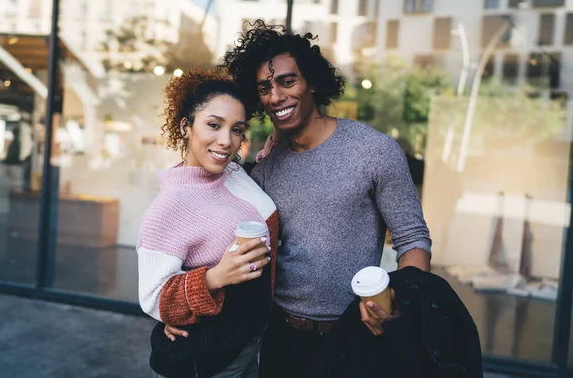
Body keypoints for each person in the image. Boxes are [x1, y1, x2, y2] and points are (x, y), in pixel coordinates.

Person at [165, 20, 432, 376]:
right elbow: (211, 230)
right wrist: (182, 308)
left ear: (313, 83)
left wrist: (399, 303)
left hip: (353, 336)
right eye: (264, 88)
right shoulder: (263, 169)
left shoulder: (373, 150)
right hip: (278, 338)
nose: (275, 96)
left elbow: (413, 238)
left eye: (287, 81)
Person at [137, 69, 278, 378]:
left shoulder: (235, 174)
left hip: (244, 348)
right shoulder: (171, 205)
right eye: (214, 125)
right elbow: (153, 298)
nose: (226, 141)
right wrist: (214, 278)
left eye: (237, 130)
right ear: (186, 127)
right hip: (203, 363)